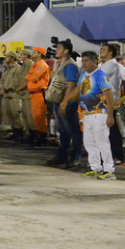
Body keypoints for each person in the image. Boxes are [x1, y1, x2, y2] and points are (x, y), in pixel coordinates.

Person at [75, 51, 116, 179]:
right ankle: (95, 167)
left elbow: (108, 95)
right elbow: (78, 90)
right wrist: (66, 101)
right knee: (88, 142)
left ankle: (109, 170)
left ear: (95, 62)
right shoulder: (83, 75)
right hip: (87, 114)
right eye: (83, 61)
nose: (84, 63)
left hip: (99, 114)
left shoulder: (100, 75)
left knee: (102, 142)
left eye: (86, 61)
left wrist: (110, 115)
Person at [46, 39, 82, 168]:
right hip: (59, 102)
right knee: (63, 131)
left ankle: (76, 157)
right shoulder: (61, 64)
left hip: (67, 103)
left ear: (66, 51)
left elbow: (71, 85)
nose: (56, 50)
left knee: (73, 130)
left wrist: (65, 103)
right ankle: (62, 156)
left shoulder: (70, 65)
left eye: (59, 48)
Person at [98, 42, 124, 162]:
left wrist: (120, 100)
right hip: (100, 102)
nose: (100, 52)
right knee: (107, 130)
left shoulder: (116, 66)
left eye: (104, 50)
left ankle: (116, 155)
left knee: (111, 130)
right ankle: (113, 155)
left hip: (109, 102)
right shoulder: (102, 65)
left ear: (111, 53)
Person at [22, 47, 50, 146]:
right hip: (34, 93)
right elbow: (27, 77)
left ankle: (43, 137)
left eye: (35, 52)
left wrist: (29, 77)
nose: (33, 53)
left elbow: (33, 78)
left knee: (39, 116)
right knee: (35, 116)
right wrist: (29, 77)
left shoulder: (41, 65)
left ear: (39, 54)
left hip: (39, 93)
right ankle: (39, 136)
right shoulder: (35, 64)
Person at [0, 52, 23, 139]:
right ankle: (14, 132)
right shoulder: (7, 70)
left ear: (12, 58)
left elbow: (15, 82)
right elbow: (1, 81)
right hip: (6, 94)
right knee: (8, 114)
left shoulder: (17, 69)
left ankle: (20, 133)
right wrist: (3, 90)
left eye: (8, 56)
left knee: (16, 114)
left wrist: (6, 89)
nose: (6, 58)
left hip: (14, 94)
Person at [15, 49, 34, 142]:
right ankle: (28, 134)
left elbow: (30, 80)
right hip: (23, 93)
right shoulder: (23, 66)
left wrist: (20, 89)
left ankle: (33, 135)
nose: (20, 56)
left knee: (30, 115)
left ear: (26, 55)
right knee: (25, 115)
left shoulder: (31, 65)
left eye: (22, 54)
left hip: (28, 93)